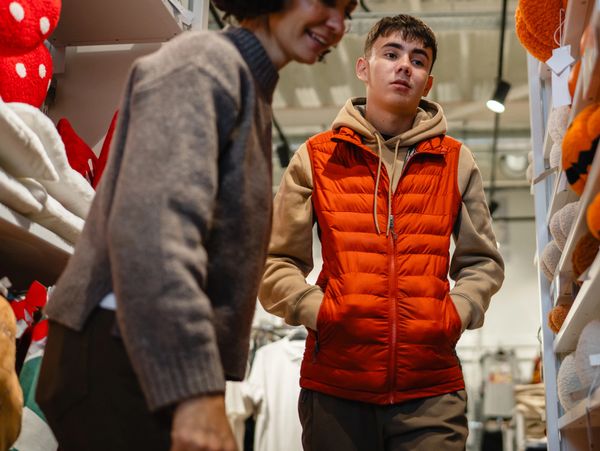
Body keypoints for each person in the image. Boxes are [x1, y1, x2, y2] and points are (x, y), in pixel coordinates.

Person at [35, 1, 357, 450]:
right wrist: (195, 392)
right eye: (326, 2)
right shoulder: (204, 64)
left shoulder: (244, 81)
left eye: (349, 9)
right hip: (121, 348)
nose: (338, 24)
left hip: (144, 350)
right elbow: (156, 232)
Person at [259, 14, 505, 451]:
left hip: (431, 390)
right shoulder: (316, 158)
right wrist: (322, 312)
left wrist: (454, 313)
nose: (404, 66)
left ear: (428, 82)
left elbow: (482, 261)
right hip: (337, 385)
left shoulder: (456, 161)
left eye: (418, 59)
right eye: (391, 54)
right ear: (364, 68)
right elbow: (275, 262)